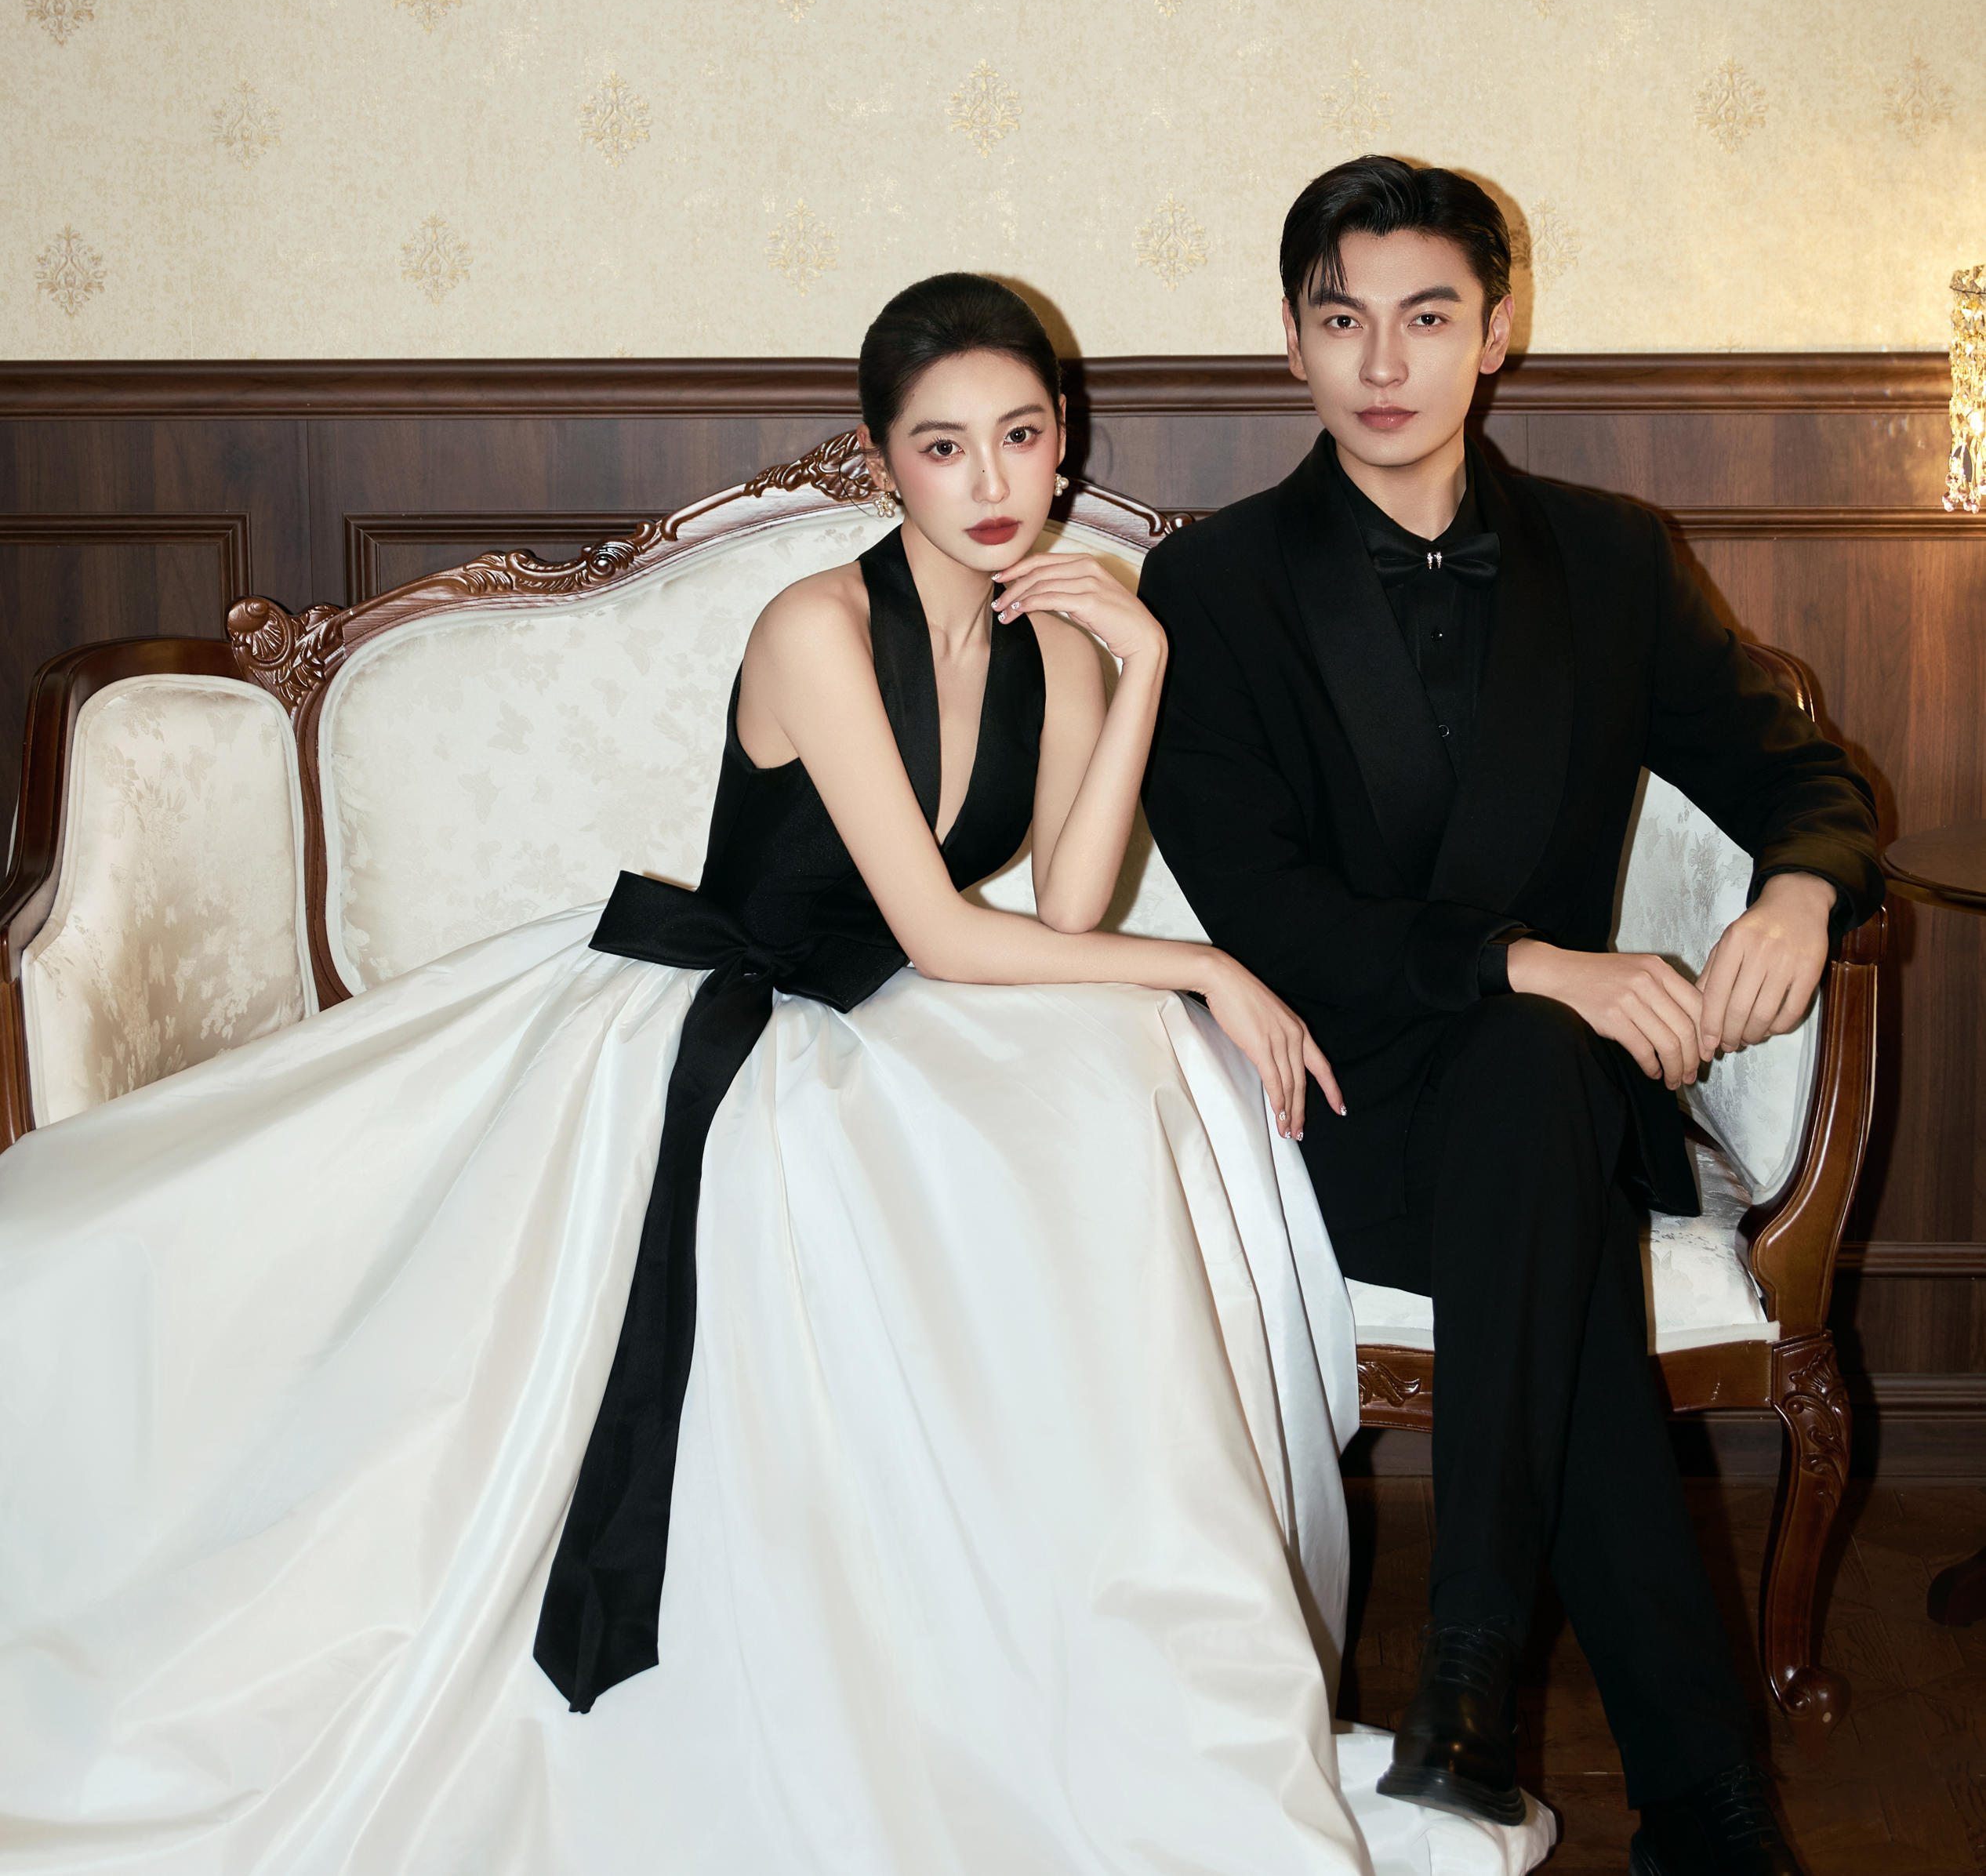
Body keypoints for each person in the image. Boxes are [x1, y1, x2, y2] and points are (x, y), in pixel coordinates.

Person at [0, 274, 1552, 1874]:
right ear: (882, 466)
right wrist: (1210, 965)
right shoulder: (815, 628)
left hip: (883, 1009)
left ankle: (1046, 1675)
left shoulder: (1058, 626)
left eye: (1022, 435)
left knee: (1108, 1074)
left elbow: (1070, 909)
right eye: (943, 447)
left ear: (1064, 439)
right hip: (719, 1018)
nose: (992, 480)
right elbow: (943, 931)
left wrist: (1137, 662)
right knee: (1099, 1055)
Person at [1137, 159, 1883, 1876]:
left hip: (1535, 1108)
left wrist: (1797, 891)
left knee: (1536, 1088)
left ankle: (1476, 1682)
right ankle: (1703, 1807)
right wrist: (1530, 964)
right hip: (1334, 1109)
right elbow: (1265, 905)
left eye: (1426, 316)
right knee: (1543, 1112)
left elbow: (1801, 774)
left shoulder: (1613, 559)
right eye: (1341, 320)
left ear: (1497, 330)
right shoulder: (1216, 585)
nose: (1381, 362)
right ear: (1290, 341)